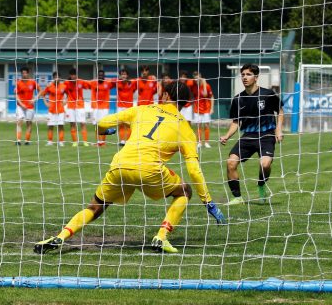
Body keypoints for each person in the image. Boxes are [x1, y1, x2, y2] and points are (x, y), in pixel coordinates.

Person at [34, 81, 225, 255]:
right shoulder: (186, 129)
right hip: (150, 171)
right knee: (185, 190)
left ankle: (61, 236)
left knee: (95, 206)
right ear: (187, 103)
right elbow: (193, 170)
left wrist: (104, 131)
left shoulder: (142, 109)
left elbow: (101, 123)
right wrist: (208, 202)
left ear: (165, 96)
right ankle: (161, 237)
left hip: (120, 165)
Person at [219, 64, 284, 205]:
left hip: (267, 135)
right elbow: (236, 122)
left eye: (248, 74)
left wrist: (278, 130)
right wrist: (226, 136)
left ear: (256, 77)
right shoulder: (238, 99)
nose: (244, 77)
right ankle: (237, 197)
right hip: (248, 136)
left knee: (265, 164)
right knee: (230, 163)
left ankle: (261, 184)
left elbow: (280, 111)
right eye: (242, 75)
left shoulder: (268, 94)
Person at [38, 72, 67, 147]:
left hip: (60, 109)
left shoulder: (64, 86)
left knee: (61, 125)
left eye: (58, 77)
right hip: (51, 109)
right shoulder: (49, 86)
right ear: (53, 78)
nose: (57, 78)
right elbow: (43, 94)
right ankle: (50, 141)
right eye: (55, 77)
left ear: (60, 78)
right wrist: (46, 103)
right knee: (50, 126)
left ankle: (61, 141)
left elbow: (69, 95)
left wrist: (65, 102)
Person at [64, 68, 90, 147]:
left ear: (76, 75)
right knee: (72, 124)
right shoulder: (66, 83)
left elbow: (89, 86)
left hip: (80, 105)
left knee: (82, 123)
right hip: (71, 106)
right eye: (72, 75)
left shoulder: (81, 82)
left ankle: (85, 141)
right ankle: (75, 142)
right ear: (70, 75)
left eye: (74, 74)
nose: (73, 76)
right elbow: (62, 90)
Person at [88, 70, 115, 146]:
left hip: (104, 107)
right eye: (99, 75)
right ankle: (98, 142)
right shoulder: (93, 83)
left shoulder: (108, 83)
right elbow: (84, 83)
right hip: (95, 107)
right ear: (97, 76)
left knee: (104, 125)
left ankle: (103, 142)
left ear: (104, 76)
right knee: (96, 124)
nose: (100, 77)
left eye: (102, 75)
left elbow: (116, 81)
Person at [15, 67, 40, 145]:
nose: (24, 74)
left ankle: (27, 141)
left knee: (29, 123)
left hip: (30, 106)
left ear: (28, 73)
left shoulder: (32, 82)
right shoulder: (18, 83)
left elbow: (40, 91)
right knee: (19, 121)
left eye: (25, 73)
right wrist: (21, 104)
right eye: (22, 73)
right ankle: (18, 141)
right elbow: (16, 95)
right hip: (20, 106)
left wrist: (34, 99)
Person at [192, 72, 214, 148]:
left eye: (198, 77)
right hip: (197, 108)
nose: (196, 79)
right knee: (198, 126)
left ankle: (207, 142)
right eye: (195, 78)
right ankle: (199, 142)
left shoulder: (207, 86)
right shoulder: (193, 86)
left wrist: (212, 108)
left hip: (206, 108)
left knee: (206, 125)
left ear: (200, 77)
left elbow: (210, 96)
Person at [115, 68, 137, 146]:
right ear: (120, 75)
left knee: (128, 125)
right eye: (122, 74)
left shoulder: (132, 82)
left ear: (127, 75)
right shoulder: (117, 82)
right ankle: (122, 141)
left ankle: (128, 140)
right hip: (120, 106)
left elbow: (139, 81)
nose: (123, 76)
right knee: (120, 124)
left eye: (125, 74)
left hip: (129, 106)